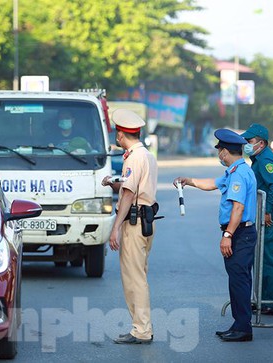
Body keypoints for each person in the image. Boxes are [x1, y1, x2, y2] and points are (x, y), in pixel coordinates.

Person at [173, 129, 257, 342]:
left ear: (225, 152)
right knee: (237, 280)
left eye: (220, 150)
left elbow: (238, 208)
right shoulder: (234, 171)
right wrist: (189, 181)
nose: (219, 154)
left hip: (240, 233)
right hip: (239, 233)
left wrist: (228, 234)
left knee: (239, 281)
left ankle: (244, 328)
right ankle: (239, 324)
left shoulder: (239, 173)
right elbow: (212, 184)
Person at [101, 109, 158, 345]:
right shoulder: (146, 155)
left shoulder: (134, 158)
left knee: (134, 279)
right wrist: (113, 184)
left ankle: (141, 330)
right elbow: (132, 189)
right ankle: (142, 327)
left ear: (120, 135)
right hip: (145, 220)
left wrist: (115, 228)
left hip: (134, 224)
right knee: (139, 275)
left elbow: (128, 195)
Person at [241, 123, 273, 315]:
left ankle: (272, 301)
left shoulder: (266, 159)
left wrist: (267, 211)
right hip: (264, 211)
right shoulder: (258, 158)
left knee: (266, 255)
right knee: (260, 255)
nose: (247, 145)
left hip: (270, 214)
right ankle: (261, 298)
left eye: (249, 141)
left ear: (261, 142)